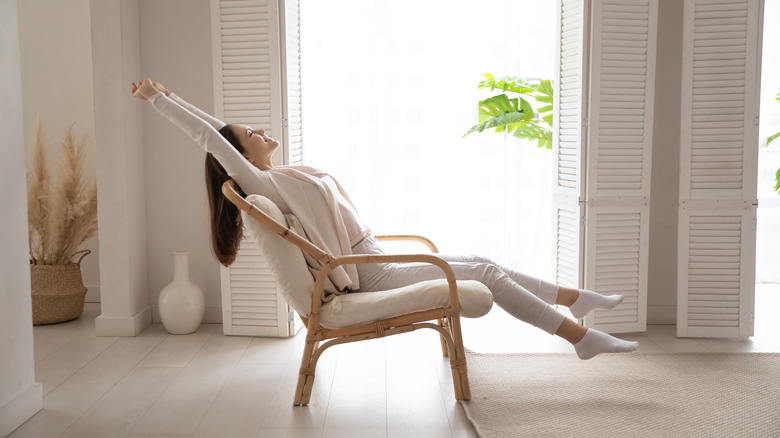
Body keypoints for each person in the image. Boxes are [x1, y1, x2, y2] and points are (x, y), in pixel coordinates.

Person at [131, 78, 638, 360]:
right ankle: (580, 338)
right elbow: (210, 139)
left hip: (373, 255)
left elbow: (223, 140)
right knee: (483, 272)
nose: (262, 130)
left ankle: (577, 301)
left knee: (484, 260)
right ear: (239, 155)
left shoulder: (283, 173)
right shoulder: (264, 184)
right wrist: (161, 98)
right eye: (250, 132)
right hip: (370, 271)